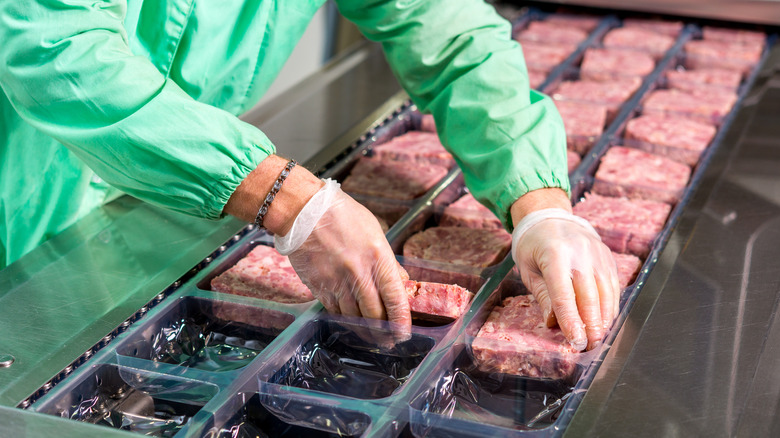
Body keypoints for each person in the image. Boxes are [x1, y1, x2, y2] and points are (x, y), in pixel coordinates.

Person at [0, 0, 618, 351]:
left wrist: (541, 204)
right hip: (20, 199)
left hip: (153, 196)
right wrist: (288, 199)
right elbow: (58, 54)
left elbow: (453, 35)